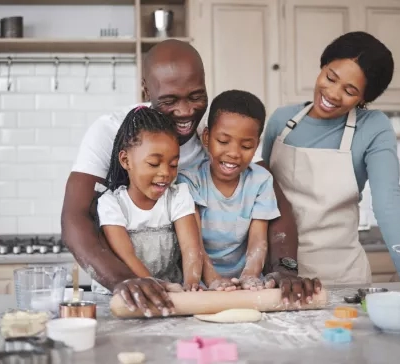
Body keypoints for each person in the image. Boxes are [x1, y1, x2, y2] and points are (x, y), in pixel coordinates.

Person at [62, 39, 321, 315]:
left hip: (184, 295)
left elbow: (276, 208)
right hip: (126, 294)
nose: (186, 112)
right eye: (170, 100)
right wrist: (124, 280)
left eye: (196, 96)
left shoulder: (219, 135)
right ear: (146, 89)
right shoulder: (114, 132)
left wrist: (285, 269)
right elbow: (74, 217)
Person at [261, 31, 400, 286]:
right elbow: (261, 194)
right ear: (323, 66)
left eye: (350, 90)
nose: (332, 94)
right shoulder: (281, 120)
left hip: (343, 279)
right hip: (282, 277)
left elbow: (389, 202)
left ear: (364, 98)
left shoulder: (373, 128)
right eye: (330, 77)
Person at [93, 107, 203, 317]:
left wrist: (191, 285)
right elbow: (127, 255)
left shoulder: (177, 196)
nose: (165, 173)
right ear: (126, 161)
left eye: (173, 165)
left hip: (170, 296)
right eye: (154, 163)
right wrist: (154, 287)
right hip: (126, 299)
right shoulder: (112, 204)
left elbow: (191, 248)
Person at [178, 90, 280, 291]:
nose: (233, 153)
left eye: (246, 145)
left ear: (256, 145)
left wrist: (250, 276)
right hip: (201, 284)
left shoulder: (260, 180)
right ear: (206, 137)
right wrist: (212, 279)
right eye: (223, 142)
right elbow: (193, 242)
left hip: (246, 285)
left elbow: (258, 241)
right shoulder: (190, 180)